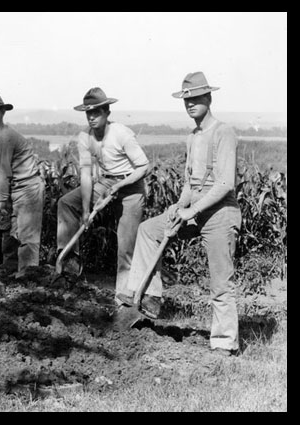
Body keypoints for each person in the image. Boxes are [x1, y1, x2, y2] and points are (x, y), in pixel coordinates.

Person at [117, 72, 241, 357]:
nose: (190, 104)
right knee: (149, 230)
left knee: (221, 281)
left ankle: (224, 342)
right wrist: (178, 206)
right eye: (186, 99)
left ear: (209, 98)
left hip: (221, 212)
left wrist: (191, 211)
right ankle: (149, 297)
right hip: (193, 209)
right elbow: (190, 182)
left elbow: (224, 184)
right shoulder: (192, 137)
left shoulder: (223, 133)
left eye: (196, 98)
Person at [57, 88, 150, 301]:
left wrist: (121, 185)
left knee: (125, 246)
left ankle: (124, 296)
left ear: (107, 112)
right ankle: (69, 263)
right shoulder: (85, 137)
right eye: (88, 113)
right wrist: (86, 210)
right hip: (106, 181)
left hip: (131, 186)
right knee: (67, 203)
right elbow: (87, 175)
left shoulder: (121, 134)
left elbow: (144, 166)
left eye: (96, 112)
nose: (91, 117)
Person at [0, 89, 45, 278]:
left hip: (28, 187)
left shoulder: (5, 137)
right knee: (11, 231)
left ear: (3, 112)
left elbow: (4, 172)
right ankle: (11, 269)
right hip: (16, 187)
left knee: (27, 234)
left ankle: (27, 277)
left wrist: (2, 201)